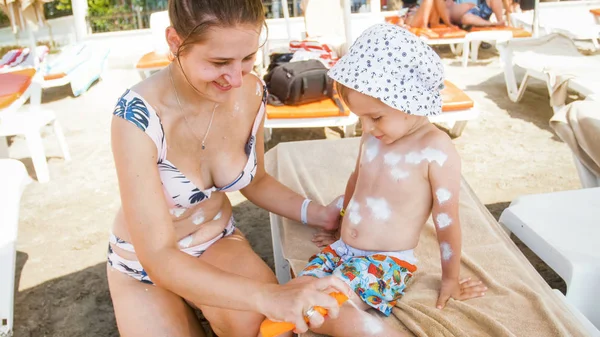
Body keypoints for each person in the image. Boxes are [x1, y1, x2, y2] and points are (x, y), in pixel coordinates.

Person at [107, 0, 354, 336]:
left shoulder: (252, 91)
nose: (236, 78)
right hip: (143, 264)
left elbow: (257, 180)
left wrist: (318, 214)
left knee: (272, 330)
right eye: (219, 62)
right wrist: (269, 295)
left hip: (213, 242)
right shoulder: (137, 118)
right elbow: (159, 257)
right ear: (175, 41)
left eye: (248, 58)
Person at [291, 24, 488, 336]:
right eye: (361, 119)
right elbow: (357, 183)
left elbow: (447, 220)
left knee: (322, 310)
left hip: (385, 263)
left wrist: (450, 279)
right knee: (295, 293)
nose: (367, 128)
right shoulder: (373, 137)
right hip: (343, 249)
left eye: (376, 117)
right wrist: (340, 227)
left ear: (410, 101)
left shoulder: (435, 151)